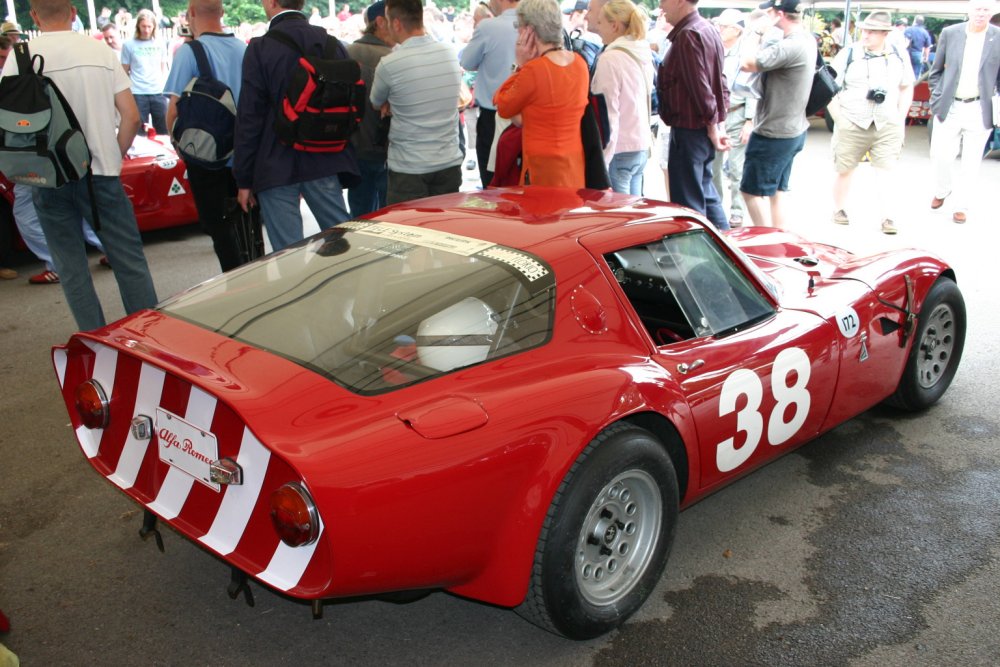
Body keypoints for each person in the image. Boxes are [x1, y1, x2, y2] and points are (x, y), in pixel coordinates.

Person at [3, 0, 157, 331]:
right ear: (73, 12)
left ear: (33, 15)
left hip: (47, 176)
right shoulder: (100, 52)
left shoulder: (19, 57)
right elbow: (130, 116)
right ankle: (150, 341)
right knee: (129, 262)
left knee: (72, 269)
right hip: (101, 173)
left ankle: (96, 340)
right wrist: (112, 155)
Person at [235, 0, 357, 251]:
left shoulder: (261, 48)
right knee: (341, 245)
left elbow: (250, 117)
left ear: (270, 2)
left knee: (288, 254)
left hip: (275, 163)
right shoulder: (333, 45)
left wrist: (244, 179)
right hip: (326, 158)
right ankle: (348, 288)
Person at [164, 0, 247, 272]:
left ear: (190, 14)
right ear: (222, 13)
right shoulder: (243, 48)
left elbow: (174, 111)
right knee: (247, 227)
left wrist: (179, 146)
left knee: (219, 228)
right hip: (244, 153)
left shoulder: (190, 52)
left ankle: (235, 284)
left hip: (207, 156)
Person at [829, 10, 914, 235]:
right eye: (864, 30)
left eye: (872, 32)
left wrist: (901, 117)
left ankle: (888, 217)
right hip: (853, 119)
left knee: (886, 169)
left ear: (885, 34)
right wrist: (839, 118)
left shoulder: (898, 54)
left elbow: (906, 86)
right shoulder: (849, 53)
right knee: (845, 168)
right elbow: (828, 87)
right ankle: (839, 209)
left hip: (887, 122)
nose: (865, 35)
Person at [370, 0, 464, 203]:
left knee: (410, 230)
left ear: (396, 24)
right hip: (448, 162)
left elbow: (376, 102)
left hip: (408, 167)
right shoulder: (449, 54)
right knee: (445, 229)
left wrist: (392, 103)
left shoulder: (390, 64)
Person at [494, 0, 589, 187]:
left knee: (540, 214)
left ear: (529, 30)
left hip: (542, 169)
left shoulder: (534, 70)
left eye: (518, 26)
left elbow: (503, 106)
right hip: (573, 166)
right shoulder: (580, 63)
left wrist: (519, 65)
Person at [738, 0, 815, 229]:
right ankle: (779, 239)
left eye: (769, 12)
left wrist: (757, 32)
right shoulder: (806, 40)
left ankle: (766, 240)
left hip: (774, 132)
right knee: (777, 192)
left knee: (751, 192)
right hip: (792, 129)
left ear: (778, 14)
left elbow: (747, 62)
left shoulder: (790, 46)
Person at [656, 0, 729, 230]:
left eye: (664, 0)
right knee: (705, 193)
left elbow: (702, 88)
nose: (660, 6)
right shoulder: (705, 29)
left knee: (690, 203)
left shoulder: (689, 34)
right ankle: (727, 249)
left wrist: (713, 126)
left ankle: (702, 257)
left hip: (690, 130)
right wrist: (717, 124)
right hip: (698, 129)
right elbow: (719, 82)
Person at [927, 0, 1000, 224]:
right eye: (978, 8)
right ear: (969, 11)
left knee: (971, 161)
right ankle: (942, 189)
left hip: (980, 107)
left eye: (986, 9)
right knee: (940, 155)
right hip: (950, 105)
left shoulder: (997, 36)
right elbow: (936, 70)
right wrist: (936, 96)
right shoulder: (951, 33)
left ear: (993, 13)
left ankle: (961, 206)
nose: (981, 13)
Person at [590, 0, 654, 195]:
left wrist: (602, 159)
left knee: (619, 216)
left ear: (614, 25)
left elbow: (608, 112)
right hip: (640, 144)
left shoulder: (610, 58)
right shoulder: (642, 52)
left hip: (619, 149)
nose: (598, 29)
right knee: (632, 214)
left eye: (600, 23)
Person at [460, 0, 519, 189]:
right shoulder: (535, 24)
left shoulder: (488, 27)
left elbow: (467, 62)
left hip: (493, 116)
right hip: (527, 116)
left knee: (492, 184)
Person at [347, 0, 394, 216]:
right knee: (390, 218)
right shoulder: (393, 57)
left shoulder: (348, 51)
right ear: (380, 22)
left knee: (359, 216)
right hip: (387, 149)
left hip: (355, 147)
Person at [712, 8, 756, 227]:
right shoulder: (715, 48)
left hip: (738, 113)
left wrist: (750, 120)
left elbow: (754, 89)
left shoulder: (746, 53)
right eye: (719, 25)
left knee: (737, 167)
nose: (719, 29)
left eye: (724, 26)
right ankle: (716, 207)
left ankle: (737, 211)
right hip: (717, 116)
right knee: (714, 166)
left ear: (737, 30)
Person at [121, 9, 170, 134]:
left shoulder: (160, 43)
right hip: (138, 92)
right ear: (138, 26)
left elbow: (162, 68)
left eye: (149, 26)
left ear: (154, 26)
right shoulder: (129, 45)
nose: (146, 30)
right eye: (143, 26)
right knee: (138, 130)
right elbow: (124, 71)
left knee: (163, 129)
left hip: (158, 91)